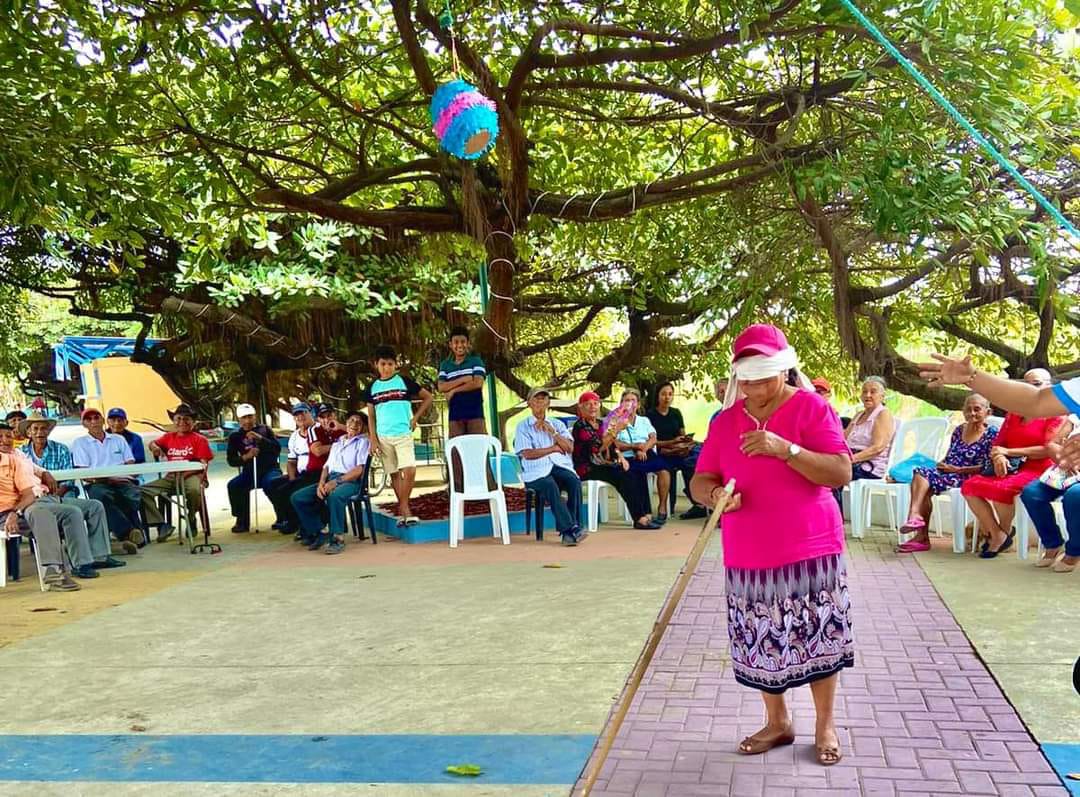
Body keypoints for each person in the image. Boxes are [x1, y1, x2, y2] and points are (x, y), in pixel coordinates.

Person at [689, 323, 853, 766]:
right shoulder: (726, 422)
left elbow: (840, 472)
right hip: (749, 549)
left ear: (784, 370)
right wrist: (713, 495)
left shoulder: (812, 408)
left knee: (819, 636)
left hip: (810, 547)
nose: (756, 390)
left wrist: (787, 450)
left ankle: (825, 725)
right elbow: (700, 479)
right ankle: (778, 722)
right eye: (748, 381)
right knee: (761, 639)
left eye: (765, 379)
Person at [959, 395, 1066, 559]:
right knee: (970, 486)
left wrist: (1009, 452)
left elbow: (1047, 450)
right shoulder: (1013, 414)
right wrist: (999, 457)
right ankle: (997, 534)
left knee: (1001, 489)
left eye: (1037, 384)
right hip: (1011, 466)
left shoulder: (1054, 416)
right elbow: (998, 443)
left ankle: (1004, 532)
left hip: (1040, 468)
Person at [18, 412, 129, 568]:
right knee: (71, 512)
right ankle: (77, 560)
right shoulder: (21, 453)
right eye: (35, 429)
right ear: (28, 432)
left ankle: (100, 556)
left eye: (43, 428)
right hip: (34, 500)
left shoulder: (61, 449)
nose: (39, 432)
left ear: (48, 431)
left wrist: (56, 493)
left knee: (95, 506)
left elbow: (68, 480)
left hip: (59, 494)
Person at [894, 394, 995, 552]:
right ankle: (915, 520)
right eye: (968, 409)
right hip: (949, 473)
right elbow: (950, 455)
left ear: (988, 412)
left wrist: (958, 470)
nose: (972, 413)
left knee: (925, 482)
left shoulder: (991, 433)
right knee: (921, 474)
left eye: (977, 409)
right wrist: (941, 464)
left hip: (969, 476)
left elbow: (989, 466)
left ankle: (920, 533)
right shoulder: (959, 430)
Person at [0, 423, 79, 591]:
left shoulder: (14, 459)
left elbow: (28, 493)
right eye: (0, 437)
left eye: (8, 436)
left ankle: (56, 572)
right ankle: (58, 570)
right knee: (43, 516)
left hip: (14, 511)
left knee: (45, 516)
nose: (5, 440)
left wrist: (14, 513)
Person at [361, 346, 433, 527]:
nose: (386, 368)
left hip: (403, 434)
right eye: (383, 364)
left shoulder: (404, 382)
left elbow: (428, 397)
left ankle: (403, 505)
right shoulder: (372, 388)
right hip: (383, 437)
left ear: (395, 365)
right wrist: (373, 439)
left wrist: (415, 418)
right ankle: (405, 512)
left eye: (390, 364)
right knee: (393, 473)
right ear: (376, 365)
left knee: (409, 470)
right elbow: (371, 416)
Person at [572, 391, 661, 530]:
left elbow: (612, 445)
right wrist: (617, 429)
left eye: (595, 403)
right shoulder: (580, 426)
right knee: (624, 476)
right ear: (581, 407)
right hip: (588, 467)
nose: (592, 407)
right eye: (588, 404)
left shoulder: (600, 423)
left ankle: (646, 514)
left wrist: (620, 457)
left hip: (603, 463)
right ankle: (639, 518)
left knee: (633, 471)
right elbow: (598, 448)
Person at [513, 388, 585, 546]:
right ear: (529, 403)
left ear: (548, 403)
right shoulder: (523, 426)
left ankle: (573, 528)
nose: (540, 402)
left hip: (557, 466)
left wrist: (553, 433)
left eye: (543, 398)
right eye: (536, 398)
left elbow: (569, 448)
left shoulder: (557, 424)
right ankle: (570, 530)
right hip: (534, 471)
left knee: (573, 481)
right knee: (550, 484)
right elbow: (527, 453)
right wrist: (552, 449)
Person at [292, 410, 371, 553]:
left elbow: (359, 470)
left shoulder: (363, 442)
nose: (354, 424)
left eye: (359, 422)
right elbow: (327, 466)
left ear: (363, 427)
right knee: (298, 497)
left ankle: (337, 538)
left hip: (351, 481)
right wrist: (321, 483)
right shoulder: (338, 442)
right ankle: (319, 531)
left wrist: (336, 482)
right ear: (346, 423)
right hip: (331, 478)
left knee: (335, 496)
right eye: (351, 420)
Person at [71, 407, 145, 546]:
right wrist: (107, 478)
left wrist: (121, 476)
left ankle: (126, 535)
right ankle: (129, 532)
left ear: (103, 420)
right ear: (84, 424)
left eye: (96, 417)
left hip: (123, 480)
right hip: (97, 482)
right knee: (101, 496)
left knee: (132, 495)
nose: (93, 421)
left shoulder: (118, 439)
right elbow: (84, 473)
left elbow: (130, 463)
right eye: (89, 419)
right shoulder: (80, 443)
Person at [141, 404, 214, 537]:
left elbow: (203, 464)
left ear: (193, 422)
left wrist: (187, 475)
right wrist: (154, 447)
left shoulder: (200, 439)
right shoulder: (168, 437)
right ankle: (161, 524)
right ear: (173, 421)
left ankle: (191, 517)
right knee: (142, 491)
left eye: (186, 419)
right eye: (178, 418)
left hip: (192, 475)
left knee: (194, 490)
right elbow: (153, 443)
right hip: (171, 477)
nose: (182, 422)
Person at [1020, 423, 1080, 572]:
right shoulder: (1075, 416)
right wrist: (1066, 460)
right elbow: (1052, 444)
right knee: (1031, 493)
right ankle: (1053, 543)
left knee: (1074, 495)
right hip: (1066, 469)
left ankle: (1074, 551)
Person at [612, 389, 676, 524]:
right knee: (636, 473)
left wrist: (644, 449)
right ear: (621, 404)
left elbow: (653, 438)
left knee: (664, 470)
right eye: (626, 400)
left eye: (633, 400)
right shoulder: (616, 422)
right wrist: (634, 446)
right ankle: (644, 513)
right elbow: (614, 443)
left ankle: (662, 507)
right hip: (627, 456)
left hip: (646, 452)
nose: (630, 403)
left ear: (638, 404)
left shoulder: (644, 420)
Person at [647, 382, 705, 520]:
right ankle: (668, 506)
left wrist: (684, 443)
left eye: (670, 394)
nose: (667, 397)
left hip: (677, 452)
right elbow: (651, 442)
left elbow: (682, 434)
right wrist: (671, 442)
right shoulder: (650, 415)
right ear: (657, 396)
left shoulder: (676, 413)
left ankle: (698, 504)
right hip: (661, 452)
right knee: (667, 469)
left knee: (691, 464)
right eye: (663, 394)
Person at [834, 376, 895, 506]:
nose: (868, 395)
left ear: (882, 396)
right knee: (820, 470)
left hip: (868, 465)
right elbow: (843, 440)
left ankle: (835, 517)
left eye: (873, 392)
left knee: (831, 475)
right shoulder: (858, 415)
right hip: (851, 461)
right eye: (864, 391)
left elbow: (877, 448)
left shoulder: (883, 414)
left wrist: (850, 459)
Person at [225, 403, 282, 533]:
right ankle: (241, 520)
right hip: (249, 472)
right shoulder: (235, 436)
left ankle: (283, 517)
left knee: (272, 483)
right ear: (239, 420)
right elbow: (231, 461)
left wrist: (260, 438)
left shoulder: (265, 430)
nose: (247, 421)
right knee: (234, 485)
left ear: (255, 417)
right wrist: (246, 457)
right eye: (244, 418)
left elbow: (277, 449)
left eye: (250, 417)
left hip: (270, 469)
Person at [267, 403, 322, 534]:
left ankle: (296, 523)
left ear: (310, 413)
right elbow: (291, 462)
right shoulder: (295, 436)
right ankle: (286, 518)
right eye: (296, 415)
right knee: (273, 485)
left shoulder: (319, 430)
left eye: (303, 413)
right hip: (300, 473)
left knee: (286, 491)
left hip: (317, 473)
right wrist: (292, 478)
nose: (300, 417)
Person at [438, 326, 487, 437]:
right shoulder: (445, 365)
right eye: (456, 342)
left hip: (475, 413)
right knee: (456, 445)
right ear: (450, 344)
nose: (459, 345)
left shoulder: (476, 361)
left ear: (468, 343)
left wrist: (453, 391)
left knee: (478, 444)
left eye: (463, 342)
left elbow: (478, 383)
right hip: (455, 415)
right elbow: (441, 387)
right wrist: (463, 380)